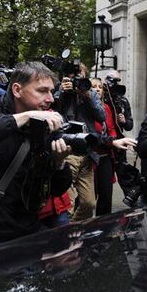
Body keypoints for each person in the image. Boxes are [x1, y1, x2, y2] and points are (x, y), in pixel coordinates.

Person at [0, 61, 72, 245]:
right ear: (17, 90)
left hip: (29, 232)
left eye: (52, 91)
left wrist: (59, 164)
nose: (50, 98)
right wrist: (24, 117)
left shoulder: (45, 127)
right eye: (42, 91)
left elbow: (57, 189)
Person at [53, 63, 106, 221]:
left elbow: (102, 116)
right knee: (66, 205)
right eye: (73, 75)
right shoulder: (59, 90)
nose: (76, 79)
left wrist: (87, 96)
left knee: (89, 204)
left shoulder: (91, 93)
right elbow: (52, 109)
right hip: (67, 150)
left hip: (86, 152)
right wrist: (62, 92)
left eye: (80, 75)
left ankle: (74, 229)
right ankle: (65, 238)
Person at [91, 78, 137, 215]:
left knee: (106, 195)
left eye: (100, 87)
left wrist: (114, 140)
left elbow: (111, 128)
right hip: (90, 158)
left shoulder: (106, 108)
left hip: (106, 156)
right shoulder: (83, 107)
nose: (98, 89)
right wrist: (111, 141)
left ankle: (103, 225)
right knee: (88, 198)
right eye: (94, 86)